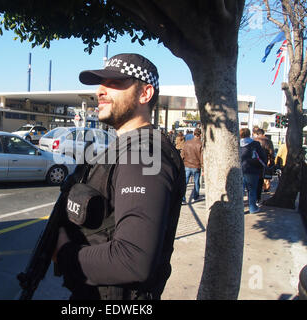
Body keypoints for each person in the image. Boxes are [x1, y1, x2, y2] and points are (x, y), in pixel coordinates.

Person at [52, 53, 186, 300]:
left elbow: (133, 260)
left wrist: (64, 253)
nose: (100, 91)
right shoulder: (126, 147)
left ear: (145, 94)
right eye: (101, 83)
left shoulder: (144, 155)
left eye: (114, 83)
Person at [239, 128, 267, 214]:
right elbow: (262, 157)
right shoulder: (255, 144)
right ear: (249, 134)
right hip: (252, 169)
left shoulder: (237, 144)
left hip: (240, 169)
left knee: (241, 190)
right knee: (252, 190)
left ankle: (239, 208)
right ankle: (252, 208)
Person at [181, 127, 203, 204]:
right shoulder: (201, 144)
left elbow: (182, 154)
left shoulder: (187, 143)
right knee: (196, 182)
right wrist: (203, 168)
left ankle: (183, 198)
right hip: (196, 166)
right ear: (200, 135)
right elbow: (202, 157)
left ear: (193, 134)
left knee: (185, 182)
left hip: (186, 164)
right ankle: (195, 196)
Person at [253, 128, 274, 196]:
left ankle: (254, 190)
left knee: (255, 176)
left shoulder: (254, 140)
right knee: (262, 176)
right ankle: (261, 191)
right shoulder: (268, 141)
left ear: (257, 134)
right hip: (264, 161)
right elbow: (271, 152)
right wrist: (271, 161)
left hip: (254, 161)